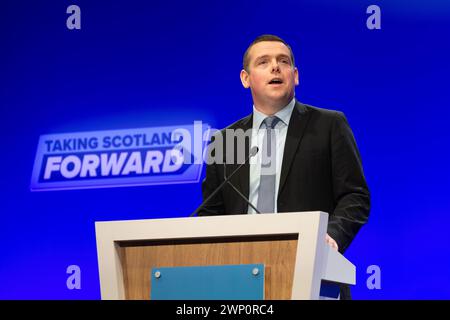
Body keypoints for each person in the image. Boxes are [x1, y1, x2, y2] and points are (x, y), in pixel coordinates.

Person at [198, 34, 370, 299]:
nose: (275, 67)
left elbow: (355, 196)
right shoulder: (224, 140)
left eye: (283, 61)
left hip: (312, 272)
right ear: (246, 78)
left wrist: (331, 237)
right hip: (238, 277)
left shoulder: (328, 125)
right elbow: (211, 212)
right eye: (263, 62)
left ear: (295, 75)